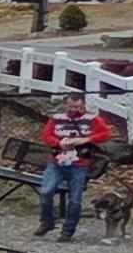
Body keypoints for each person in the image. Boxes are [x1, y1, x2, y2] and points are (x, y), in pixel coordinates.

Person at [37, 90, 117, 242]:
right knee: (46, 192)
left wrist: (85, 140)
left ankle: (68, 231)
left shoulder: (92, 119)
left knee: (75, 199)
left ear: (83, 106)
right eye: (70, 107)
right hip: (57, 162)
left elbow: (106, 134)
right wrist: (58, 142)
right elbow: (47, 136)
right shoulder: (56, 118)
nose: (73, 110)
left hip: (79, 164)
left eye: (77, 107)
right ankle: (47, 221)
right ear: (66, 105)